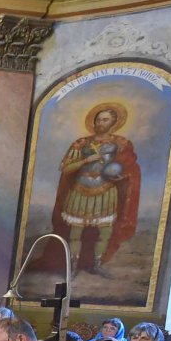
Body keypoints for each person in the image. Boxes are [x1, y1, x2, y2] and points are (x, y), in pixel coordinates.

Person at [52, 102, 140, 277]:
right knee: (75, 232)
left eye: (105, 120)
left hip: (106, 192)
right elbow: (65, 168)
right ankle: (74, 266)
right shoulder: (81, 143)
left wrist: (120, 174)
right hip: (79, 191)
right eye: (98, 120)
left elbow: (129, 167)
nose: (100, 123)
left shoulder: (121, 144)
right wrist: (86, 160)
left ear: (114, 122)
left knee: (104, 232)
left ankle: (97, 264)